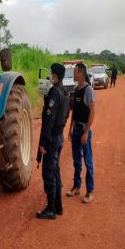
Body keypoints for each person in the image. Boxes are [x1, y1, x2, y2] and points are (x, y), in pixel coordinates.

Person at [36, 63, 69, 219]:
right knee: (55, 172)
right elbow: (66, 115)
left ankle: (50, 209)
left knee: (49, 174)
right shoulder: (65, 91)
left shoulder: (54, 93)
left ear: (55, 76)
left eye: (51, 74)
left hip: (52, 139)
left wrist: (43, 143)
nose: (50, 76)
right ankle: (58, 206)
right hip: (59, 136)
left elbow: (48, 121)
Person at [67, 62, 96, 203]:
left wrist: (85, 133)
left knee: (88, 161)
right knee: (76, 160)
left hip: (84, 131)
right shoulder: (76, 89)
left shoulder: (88, 90)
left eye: (75, 71)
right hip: (76, 130)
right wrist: (70, 128)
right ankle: (77, 186)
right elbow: (75, 112)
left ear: (81, 74)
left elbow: (92, 112)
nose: (73, 73)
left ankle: (90, 191)